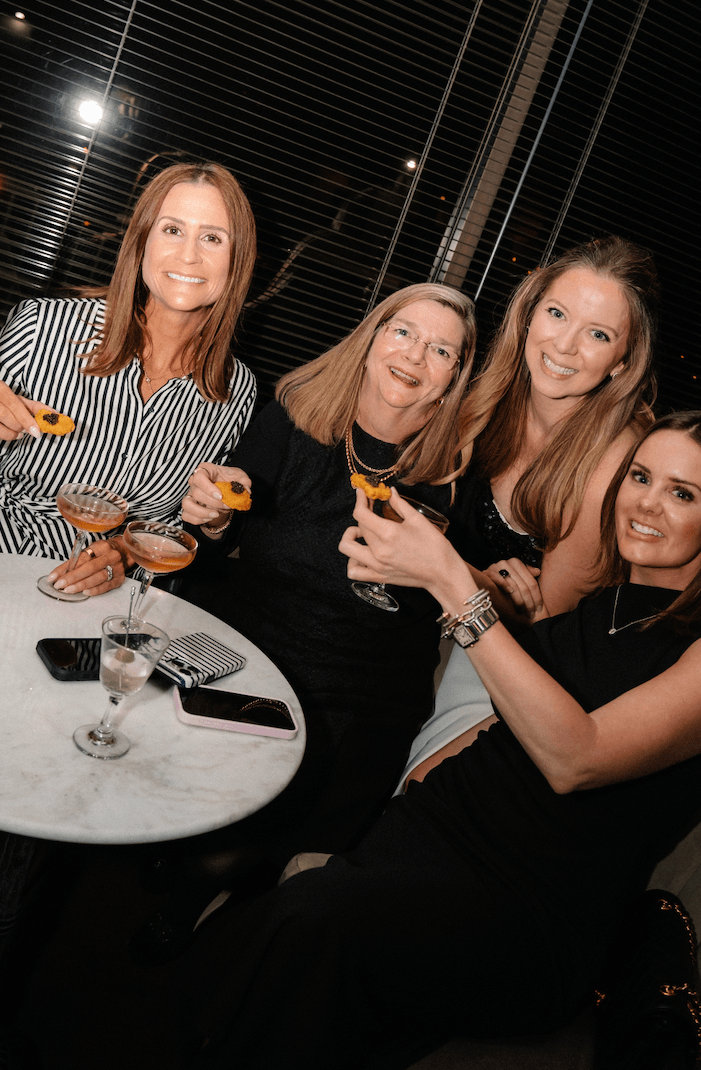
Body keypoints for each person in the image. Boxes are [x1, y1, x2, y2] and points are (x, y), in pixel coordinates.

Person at [180, 411, 701, 1068]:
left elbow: (573, 758)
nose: (647, 503)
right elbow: (505, 720)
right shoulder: (601, 608)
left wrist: (453, 586)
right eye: (640, 477)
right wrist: (420, 786)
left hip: (527, 914)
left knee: (311, 919)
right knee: (287, 924)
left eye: (682, 493)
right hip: (434, 838)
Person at [131, 283, 476, 960]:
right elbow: (215, 534)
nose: (415, 356)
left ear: (455, 379)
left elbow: (467, 593)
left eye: (442, 350)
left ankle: (212, 910)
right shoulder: (292, 416)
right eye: (403, 332)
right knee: (202, 841)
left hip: (363, 699)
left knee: (260, 860)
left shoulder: (458, 475)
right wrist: (212, 515)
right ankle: (187, 874)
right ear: (372, 337)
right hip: (252, 659)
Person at [0, 162, 257, 594]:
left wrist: (128, 550)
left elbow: (170, 532)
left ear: (237, 261)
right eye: (172, 230)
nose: (189, 255)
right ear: (142, 242)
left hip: (94, 605)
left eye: (212, 237)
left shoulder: (235, 390)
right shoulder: (42, 327)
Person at [403, 235, 658, 786]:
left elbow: (544, 623)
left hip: (531, 671)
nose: (564, 346)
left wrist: (445, 569)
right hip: (445, 623)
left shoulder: (617, 460)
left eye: (597, 335)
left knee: (418, 791)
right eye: (556, 313)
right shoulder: (490, 398)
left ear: (622, 361)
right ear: (529, 313)